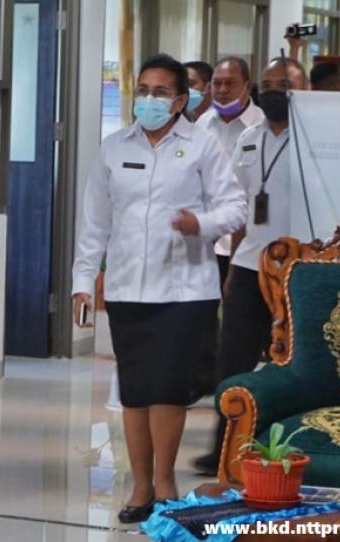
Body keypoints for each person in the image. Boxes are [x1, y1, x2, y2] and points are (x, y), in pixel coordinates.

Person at [72, 54, 246, 523]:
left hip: (184, 291)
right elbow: (95, 222)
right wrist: (83, 281)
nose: (149, 99)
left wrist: (199, 224)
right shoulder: (113, 147)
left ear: (180, 101)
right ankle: (140, 487)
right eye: (144, 90)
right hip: (127, 287)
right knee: (134, 390)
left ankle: (165, 483)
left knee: (167, 388)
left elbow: (235, 207)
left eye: (160, 92)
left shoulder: (203, 144)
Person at [196, 57, 309, 477]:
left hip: (300, 265)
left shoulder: (314, 141)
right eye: (268, 84)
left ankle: (287, 449)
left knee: (294, 360)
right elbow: (239, 207)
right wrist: (231, 266)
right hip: (249, 264)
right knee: (232, 360)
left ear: (304, 90)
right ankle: (223, 448)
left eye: (284, 85)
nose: (274, 92)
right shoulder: (248, 138)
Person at [196, 57, 264, 290]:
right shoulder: (202, 125)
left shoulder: (262, 127)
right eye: (217, 83)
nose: (223, 90)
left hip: (247, 244)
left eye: (230, 83)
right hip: (206, 239)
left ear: (247, 86)